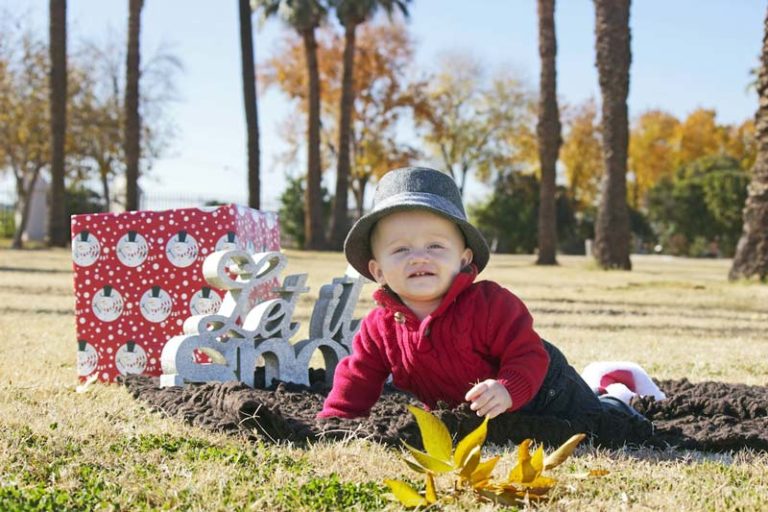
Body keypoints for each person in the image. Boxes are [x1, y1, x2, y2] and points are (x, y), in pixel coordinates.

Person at [318, 166, 650, 440]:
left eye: (435, 246)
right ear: (378, 271)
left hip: (547, 390)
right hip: (477, 410)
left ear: (463, 260)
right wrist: (338, 418)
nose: (418, 257)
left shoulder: (491, 304)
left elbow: (527, 354)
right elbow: (357, 375)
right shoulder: (379, 327)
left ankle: (616, 395)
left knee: (600, 423)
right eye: (401, 249)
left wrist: (508, 389)